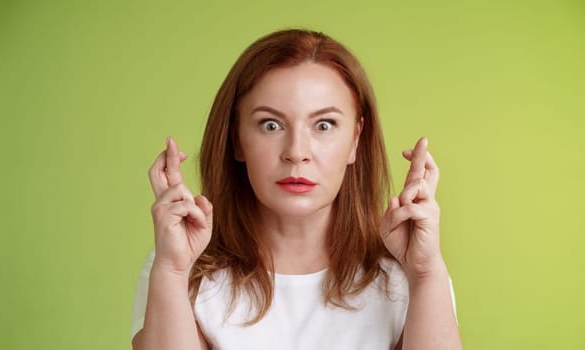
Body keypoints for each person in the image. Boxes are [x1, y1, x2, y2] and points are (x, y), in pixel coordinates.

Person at [131, 28, 462, 350]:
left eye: (324, 125)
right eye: (271, 125)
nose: (296, 151)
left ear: (355, 140)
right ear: (237, 140)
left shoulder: (409, 273)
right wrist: (172, 272)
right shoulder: (179, 268)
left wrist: (425, 272)